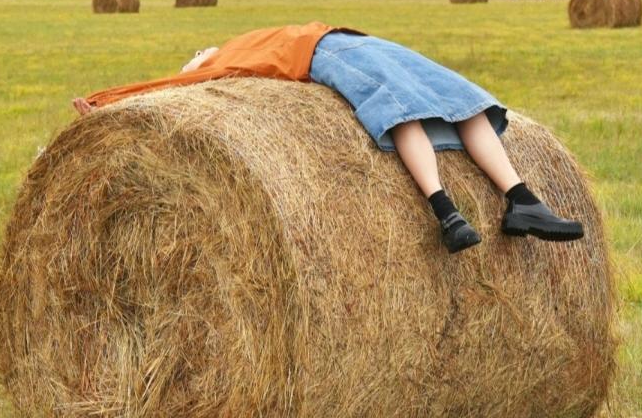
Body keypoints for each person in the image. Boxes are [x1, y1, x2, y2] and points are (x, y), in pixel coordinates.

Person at [72, 21, 583, 253]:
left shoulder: (236, 46)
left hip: (351, 41)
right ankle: (446, 211)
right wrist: (105, 106)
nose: (200, 64)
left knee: (461, 98)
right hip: (334, 51)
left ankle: (522, 199)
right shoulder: (227, 62)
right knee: (403, 109)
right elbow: (171, 89)